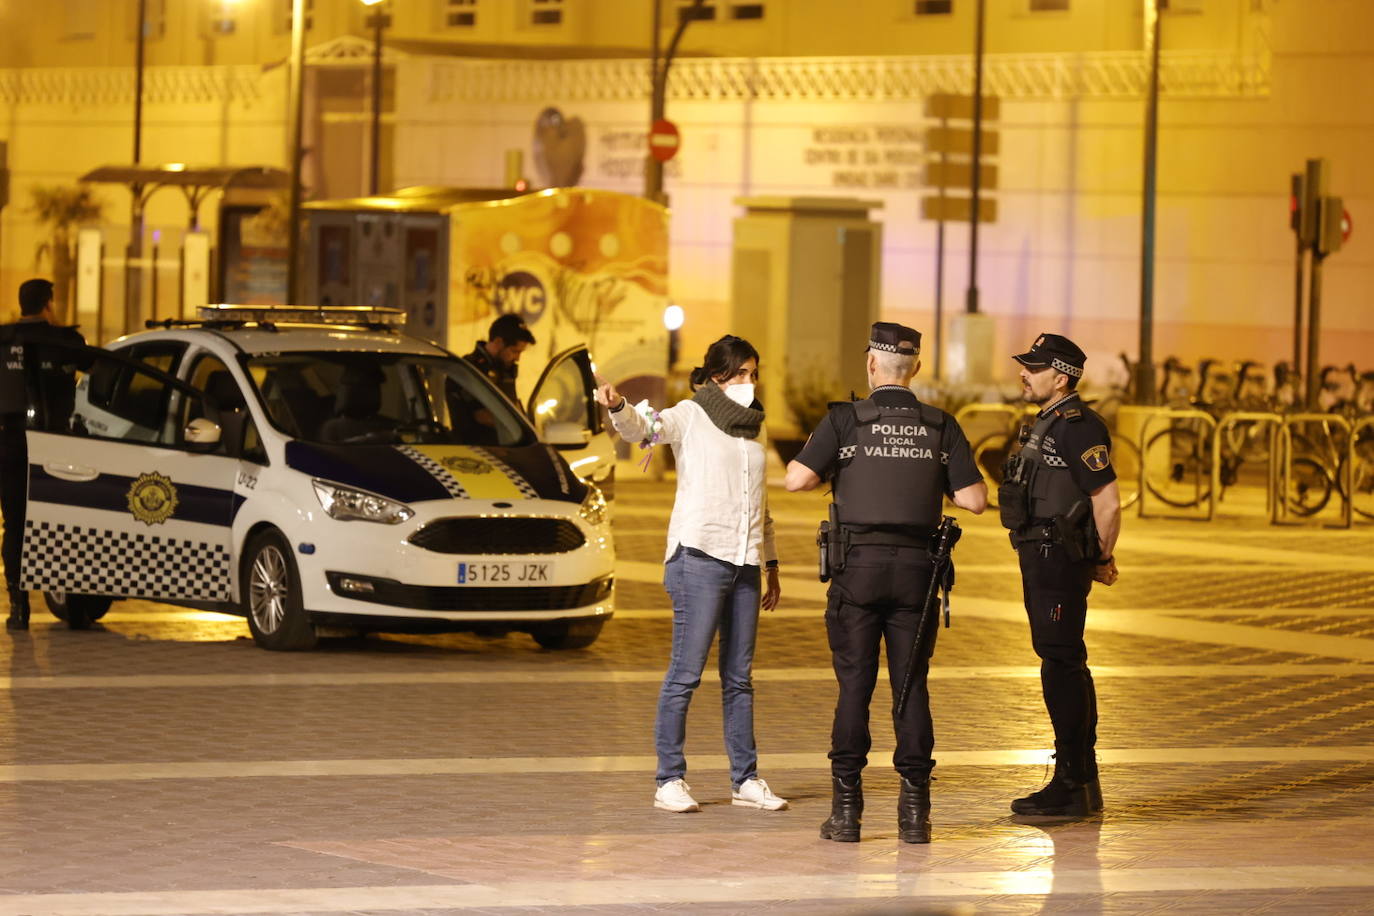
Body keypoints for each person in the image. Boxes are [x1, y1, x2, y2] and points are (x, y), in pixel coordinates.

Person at [785, 322, 987, 844]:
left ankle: (847, 812)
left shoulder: (845, 420)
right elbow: (974, 499)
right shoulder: (941, 425)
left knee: (855, 686)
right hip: (918, 574)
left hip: (858, 570)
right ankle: (914, 814)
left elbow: (797, 479)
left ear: (871, 365)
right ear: (914, 368)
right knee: (910, 685)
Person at [594, 335, 788, 814]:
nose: (749, 382)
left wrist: (771, 562)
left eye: (754, 373)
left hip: (744, 561)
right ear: (718, 375)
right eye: (741, 373)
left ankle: (745, 779)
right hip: (699, 556)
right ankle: (669, 779)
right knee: (686, 673)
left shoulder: (754, 429)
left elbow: (760, 503)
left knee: (739, 677)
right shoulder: (690, 414)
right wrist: (618, 405)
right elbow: (644, 429)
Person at [1000, 333, 1121, 817]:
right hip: (1042, 555)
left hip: (1058, 558)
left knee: (1062, 663)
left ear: (1062, 377)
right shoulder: (1047, 422)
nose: (1024, 373)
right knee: (1059, 660)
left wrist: (1099, 558)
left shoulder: (1078, 426)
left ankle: (1074, 780)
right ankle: (1078, 781)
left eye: (1034, 366)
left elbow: (1107, 502)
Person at [2, 279, 87, 632]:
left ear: (22, 304)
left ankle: (19, 608)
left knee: (16, 525)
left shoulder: (2, 341)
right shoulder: (67, 342)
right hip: (58, 443)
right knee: (66, 525)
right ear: (48, 304)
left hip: (9, 443)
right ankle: (77, 610)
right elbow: (99, 375)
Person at [465, 313, 536, 404]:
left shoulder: (505, 367)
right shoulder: (472, 369)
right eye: (515, 351)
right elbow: (483, 415)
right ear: (498, 342)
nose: (518, 358)